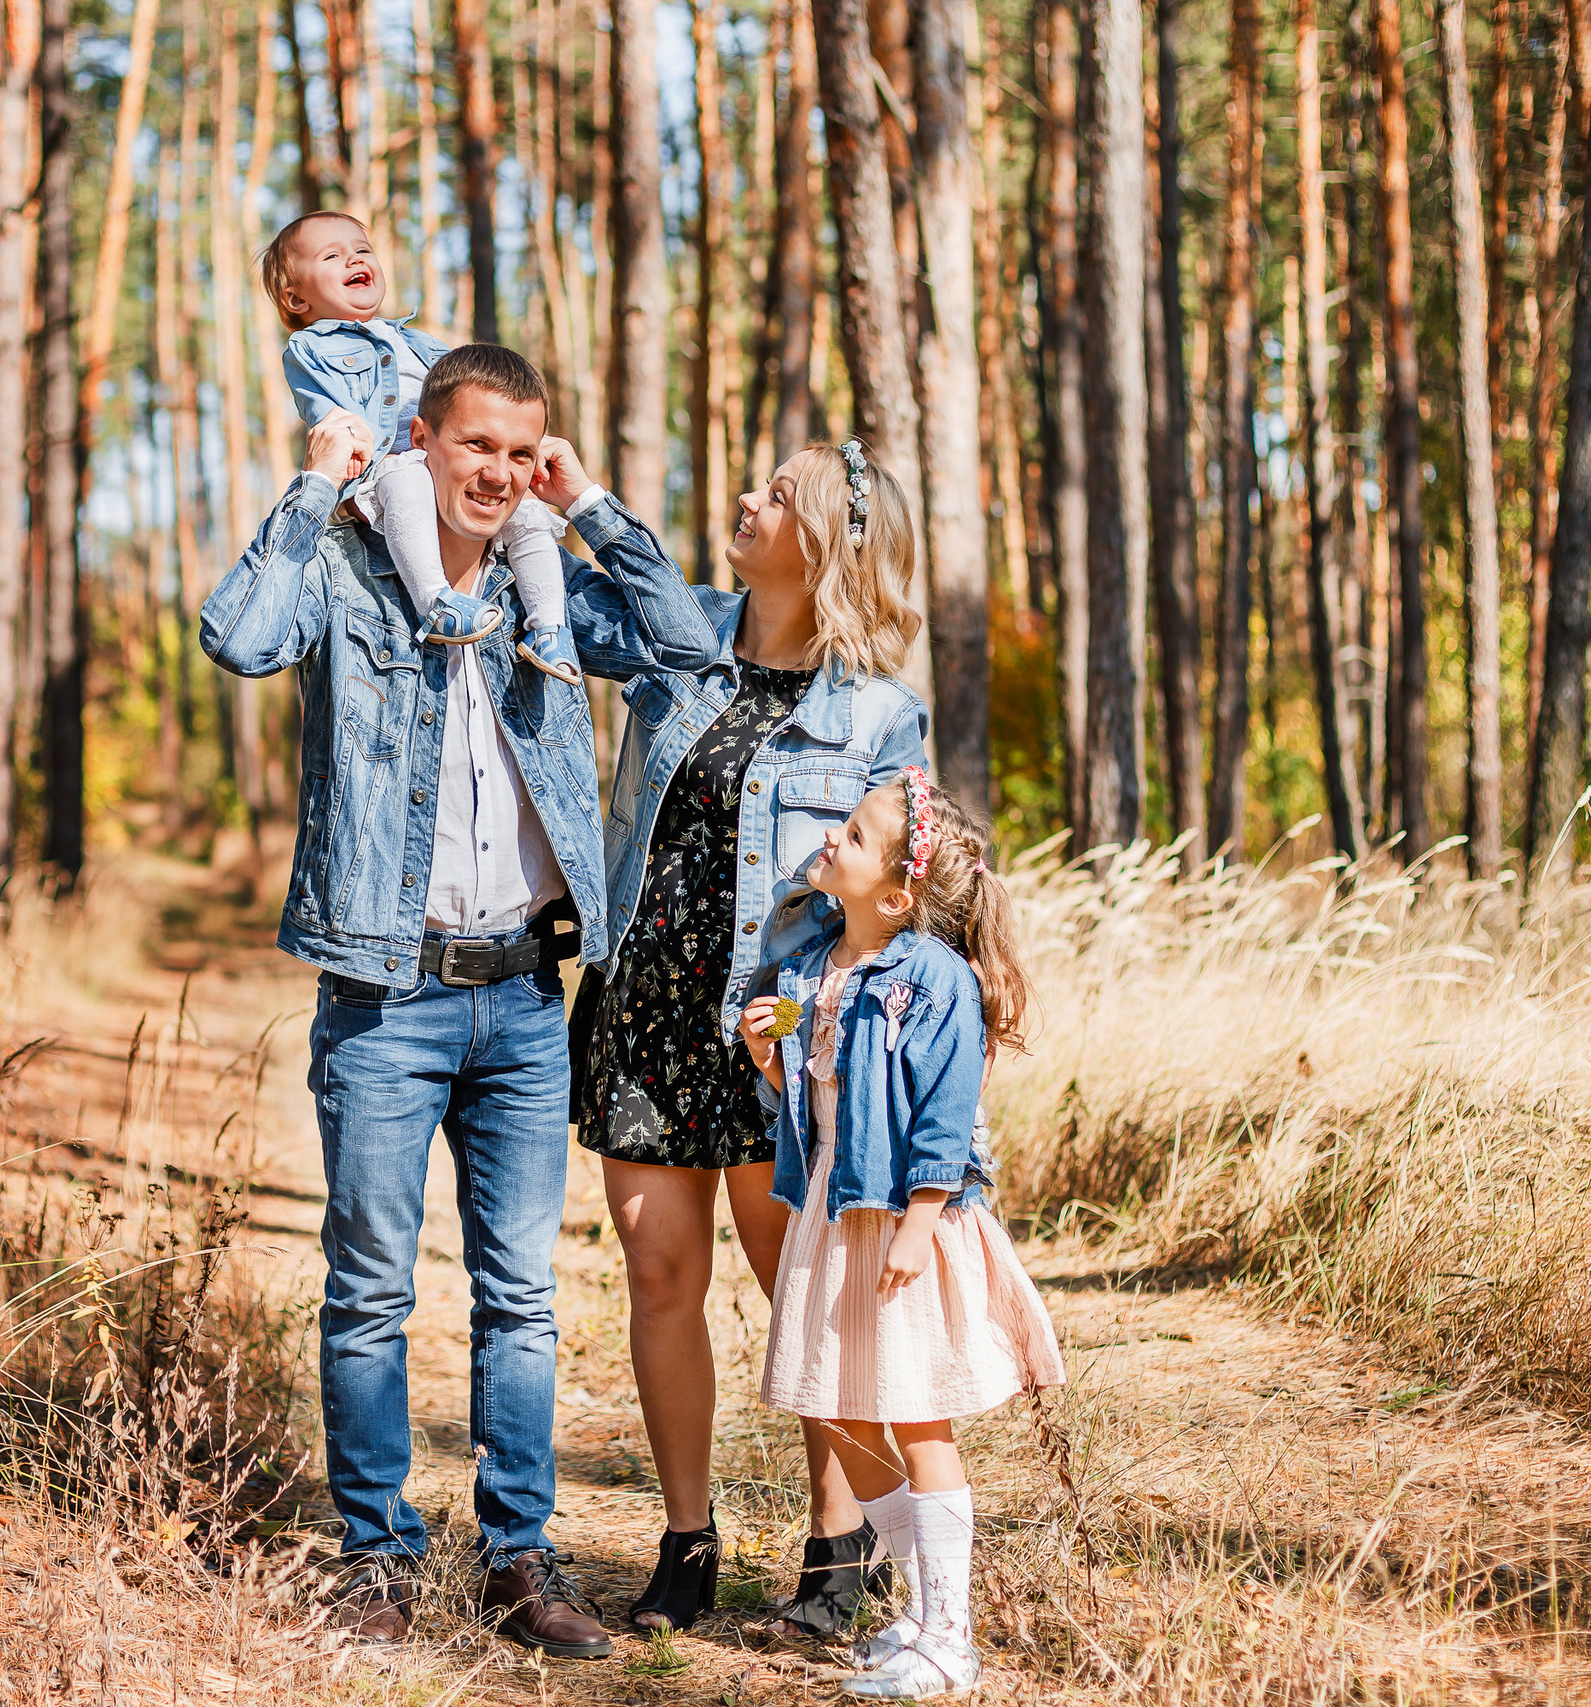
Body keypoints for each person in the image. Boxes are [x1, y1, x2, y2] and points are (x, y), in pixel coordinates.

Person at [198, 342, 719, 1657]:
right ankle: (377, 1556)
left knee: (521, 1296)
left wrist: (589, 506)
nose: (495, 471)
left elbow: (688, 643)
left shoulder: (554, 580)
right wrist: (317, 487)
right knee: (371, 1284)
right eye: (474, 444)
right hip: (386, 996)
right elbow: (239, 636)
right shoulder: (347, 570)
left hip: (525, 1002)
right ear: (424, 438)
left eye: (518, 449)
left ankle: (518, 1555)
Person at [571, 440, 928, 1635]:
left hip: (775, 1032)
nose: (746, 499)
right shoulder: (676, 637)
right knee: (660, 1272)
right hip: (646, 1008)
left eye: (778, 495)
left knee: (801, 1292)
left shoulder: (879, 711)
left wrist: (846, 1039)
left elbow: (895, 898)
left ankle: (839, 1558)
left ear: (823, 540)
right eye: (755, 483)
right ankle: (687, 1543)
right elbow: (542, 599)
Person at [739, 770, 1067, 1700]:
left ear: (896, 894)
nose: (831, 838)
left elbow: (946, 1110)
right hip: (831, 1210)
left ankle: (952, 1638)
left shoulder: (932, 979)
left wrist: (922, 1218)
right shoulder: (810, 969)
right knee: (842, 1407)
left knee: (916, 1409)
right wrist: (772, 1059)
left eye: (853, 833)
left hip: (900, 1218)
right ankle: (921, 1607)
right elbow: (810, 1100)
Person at [260, 209, 580, 682]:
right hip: (388, 467)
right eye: (333, 256)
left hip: (444, 462)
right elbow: (324, 411)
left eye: (362, 251)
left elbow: (464, 390)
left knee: (529, 513)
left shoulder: (417, 340)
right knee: (406, 477)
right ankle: (437, 603)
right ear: (295, 296)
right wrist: (341, 450)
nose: (354, 259)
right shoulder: (311, 349)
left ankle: (549, 629)